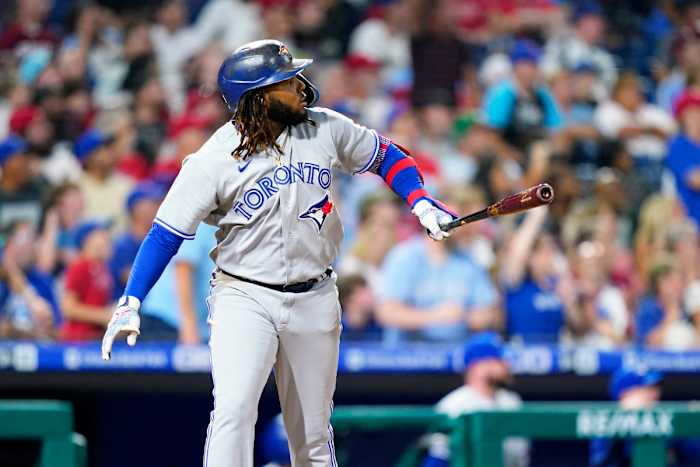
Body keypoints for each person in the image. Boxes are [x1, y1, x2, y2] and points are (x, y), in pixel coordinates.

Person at [100, 40, 457, 467]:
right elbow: (165, 234)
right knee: (234, 411)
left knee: (311, 434)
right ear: (256, 99)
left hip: (316, 292)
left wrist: (419, 200)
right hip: (245, 293)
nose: (299, 86)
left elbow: (387, 156)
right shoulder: (213, 159)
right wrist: (131, 299)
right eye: (284, 82)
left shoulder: (325, 127)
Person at [378, 187, 500, 344]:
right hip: (407, 357)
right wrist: (435, 317)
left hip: (455, 357)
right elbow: (387, 313)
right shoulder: (405, 256)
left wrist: (474, 317)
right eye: (464, 227)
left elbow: (489, 312)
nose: (470, 233)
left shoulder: (469, 261)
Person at [421, 333, 528, 467]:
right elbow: (436, 460)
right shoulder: (454, 405)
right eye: (499, 359)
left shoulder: (512, 401)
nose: (507, 364)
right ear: (479, 365)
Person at [500, 207, 583, 344]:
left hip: (553, 358)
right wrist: (535, 217)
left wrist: (569, 303)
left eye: (551, 251)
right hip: (521, 356)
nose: (549, 257)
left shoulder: (557, 284)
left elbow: (577, 327)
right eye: (542, 252)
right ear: (530, 257)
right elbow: (517, 255)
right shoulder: (518, 283)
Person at [590, 367, 700, 467]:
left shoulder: (664, 420)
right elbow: (601, 461)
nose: (655, 394)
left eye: (655, 389)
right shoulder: (606, 424)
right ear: (625, 394)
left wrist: (691, 423)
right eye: (646, 389)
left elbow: (694, 454)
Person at [481, 39, 562, 154]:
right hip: (509, 152)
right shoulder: (503, 93)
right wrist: (518, 158)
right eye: (527, 64)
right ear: (516, 66)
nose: (531, 70)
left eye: (534, 65)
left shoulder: (542, 94)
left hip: (539, 149)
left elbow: (556, 129)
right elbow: (492, 136)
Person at [60, 219, 114, 341]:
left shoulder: (103, 269)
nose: (106, 238)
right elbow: (68, 308)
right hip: (77, 339)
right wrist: (103, 315)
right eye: (100, 234)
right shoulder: (80, 266)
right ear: (87, 241)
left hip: (95, 337)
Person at [74, 128, 134, 231]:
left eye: (109, 147)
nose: (110, 152)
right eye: (102, 149)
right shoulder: (75, 187)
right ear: (88, 158)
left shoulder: (127, 184)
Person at [635, 255, 698, 350]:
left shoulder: (685, 307)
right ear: (660, 283)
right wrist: (670, 318)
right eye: (673, 281)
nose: (678, 287)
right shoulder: (648, 308)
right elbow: (649, 343)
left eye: (680, 281)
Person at [666, 90, 700, 228]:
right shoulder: (678, 145)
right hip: (692, 219)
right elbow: (695, 180)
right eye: (691, 113)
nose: (697, 117)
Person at [0, 135, 44, 231]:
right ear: (5, 163)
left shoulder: (38, 190)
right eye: (19, 158)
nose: (26, 163)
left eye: (27, 158)